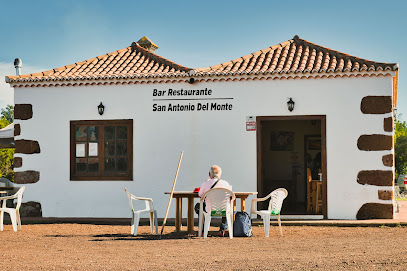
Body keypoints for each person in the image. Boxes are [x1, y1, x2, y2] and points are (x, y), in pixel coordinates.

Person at [198, 165, 232, 237]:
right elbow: (231, 196)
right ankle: (222, 229)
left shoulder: (205, 183)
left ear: (209, 174)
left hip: (210, 210)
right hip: (224, 209)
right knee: (226, 205)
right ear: (220, 174)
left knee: (199, 206)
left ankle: (204, 230)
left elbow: (200, 195)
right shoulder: (226, 183)